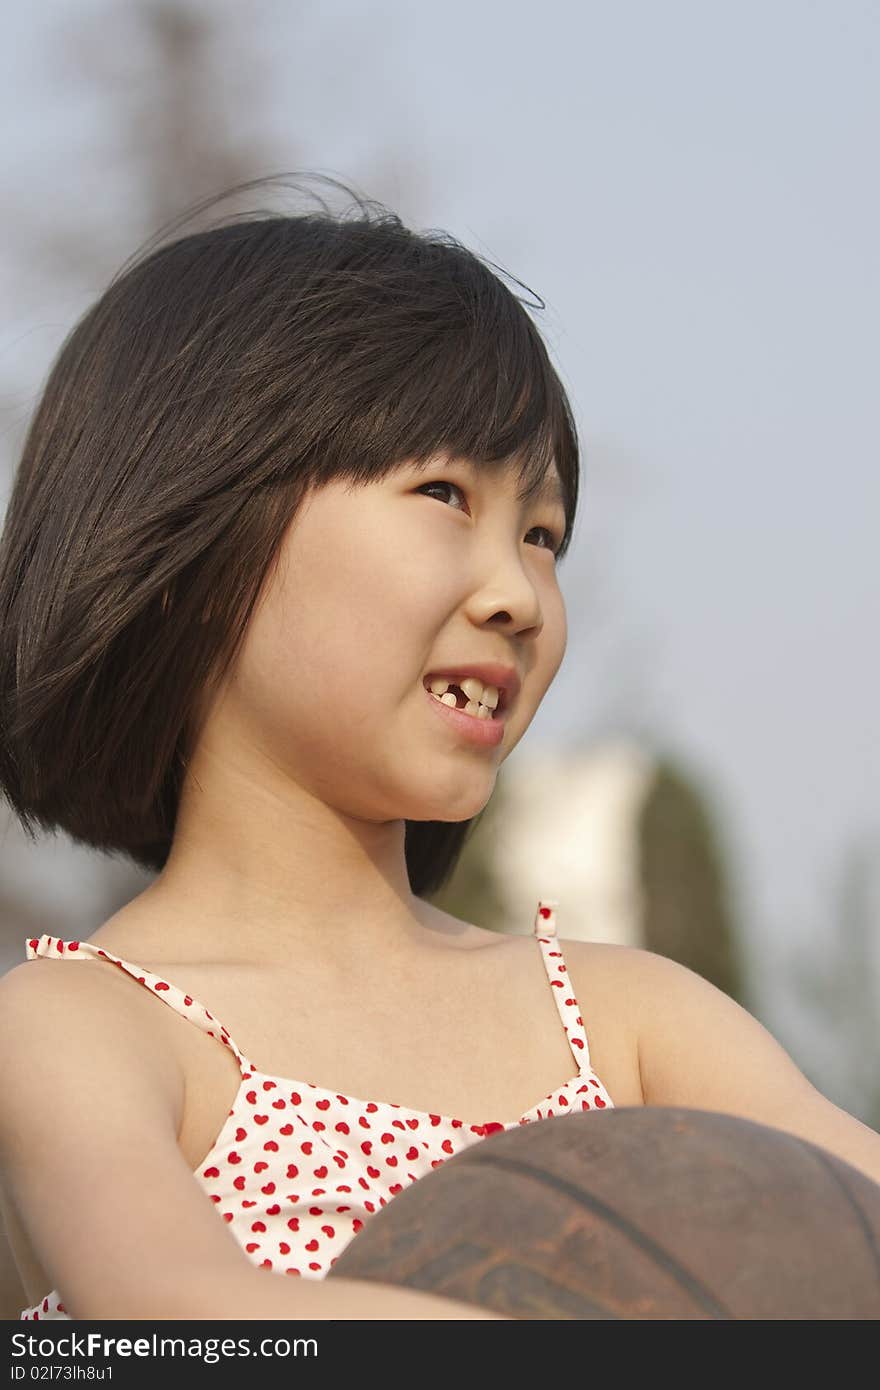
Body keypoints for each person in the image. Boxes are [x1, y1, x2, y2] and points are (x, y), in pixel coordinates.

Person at [0, 173, 878, 1324]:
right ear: (191, 551)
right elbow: (176, 1311)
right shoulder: (80, 1025)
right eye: (442, 492)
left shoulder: (626, 1019)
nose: (518, 591)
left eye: (543, 531)